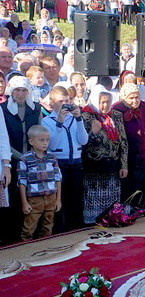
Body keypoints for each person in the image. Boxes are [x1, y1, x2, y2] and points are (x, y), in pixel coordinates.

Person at [0, 77, 41, 244]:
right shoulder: (3, 109)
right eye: (17, 90)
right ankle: (12, 235)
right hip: (12, 161)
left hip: (32, 160)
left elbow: (39, 133)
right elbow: (3, 139)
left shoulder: (36, 108)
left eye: (24, 90)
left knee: (32, 197)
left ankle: (31, 233)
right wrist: (19, 157)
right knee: (15, 198)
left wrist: (33, 155)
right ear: (11, 91)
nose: (20, 93)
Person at [41, 86, 88, 232]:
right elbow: (53, 145)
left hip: (76, 162)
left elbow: (83, 140)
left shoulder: (75, 119)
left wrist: (79, 119)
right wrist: (59, 123)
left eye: (67, 101)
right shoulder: (47, 121)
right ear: (52, 103)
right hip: (59, 163)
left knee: (75, 199)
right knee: (60, 199)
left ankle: (74, 228)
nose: (65, 104)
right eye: (61, 101)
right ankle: (59, 230)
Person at [81, 86, 128, 224]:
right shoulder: (86, 117)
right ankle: (92, 224)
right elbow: (83, 144)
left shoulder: (116, 116)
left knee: (111, 199)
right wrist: (93, 133)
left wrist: (124, 165)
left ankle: (111, 220)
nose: (105, 105)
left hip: (112, 166)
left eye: (108, 101)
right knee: (94, 200)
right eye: (102, 102)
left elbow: (123, 142)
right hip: (93, 167)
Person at [112, 83, 145, 202]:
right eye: (131, 98)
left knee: (140, 189)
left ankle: (139, 211)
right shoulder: (117, 109)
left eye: (137, 97)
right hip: (126, 159)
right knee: (126, 190)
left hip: (143, 156)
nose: (135, 101)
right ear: (124, 97)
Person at [18, 125, 61, 241]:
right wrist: (24, 203)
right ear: (31, 141)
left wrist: (58, 199)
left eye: (47, 140)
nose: (45, 143)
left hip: (51, 197)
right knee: (28, 228)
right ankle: (25, 252)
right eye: (41, 140)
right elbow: (22, 182)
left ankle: (45, 252)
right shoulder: (25, 159)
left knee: (47, 227)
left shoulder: (52, 157)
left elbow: (58, 178)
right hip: (34, 200)